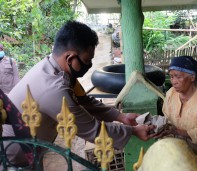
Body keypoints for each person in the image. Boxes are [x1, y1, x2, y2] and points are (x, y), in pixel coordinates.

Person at [3, 20, 155, 166]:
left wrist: (120, 116)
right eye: (87, 60)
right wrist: (133, 131)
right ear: (70, 57)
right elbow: (93, 130)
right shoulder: (53, 88)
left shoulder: (54, 69)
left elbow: (83, 101)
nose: (88, 65)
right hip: (13, 154)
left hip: (31, 148)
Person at [155, 56, 197, 171]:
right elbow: (167, 118)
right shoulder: (171, 93)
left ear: (192, 77)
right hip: (180, 141)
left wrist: (177, 131)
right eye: (171, 77)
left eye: (178, 77)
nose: (174, 81)